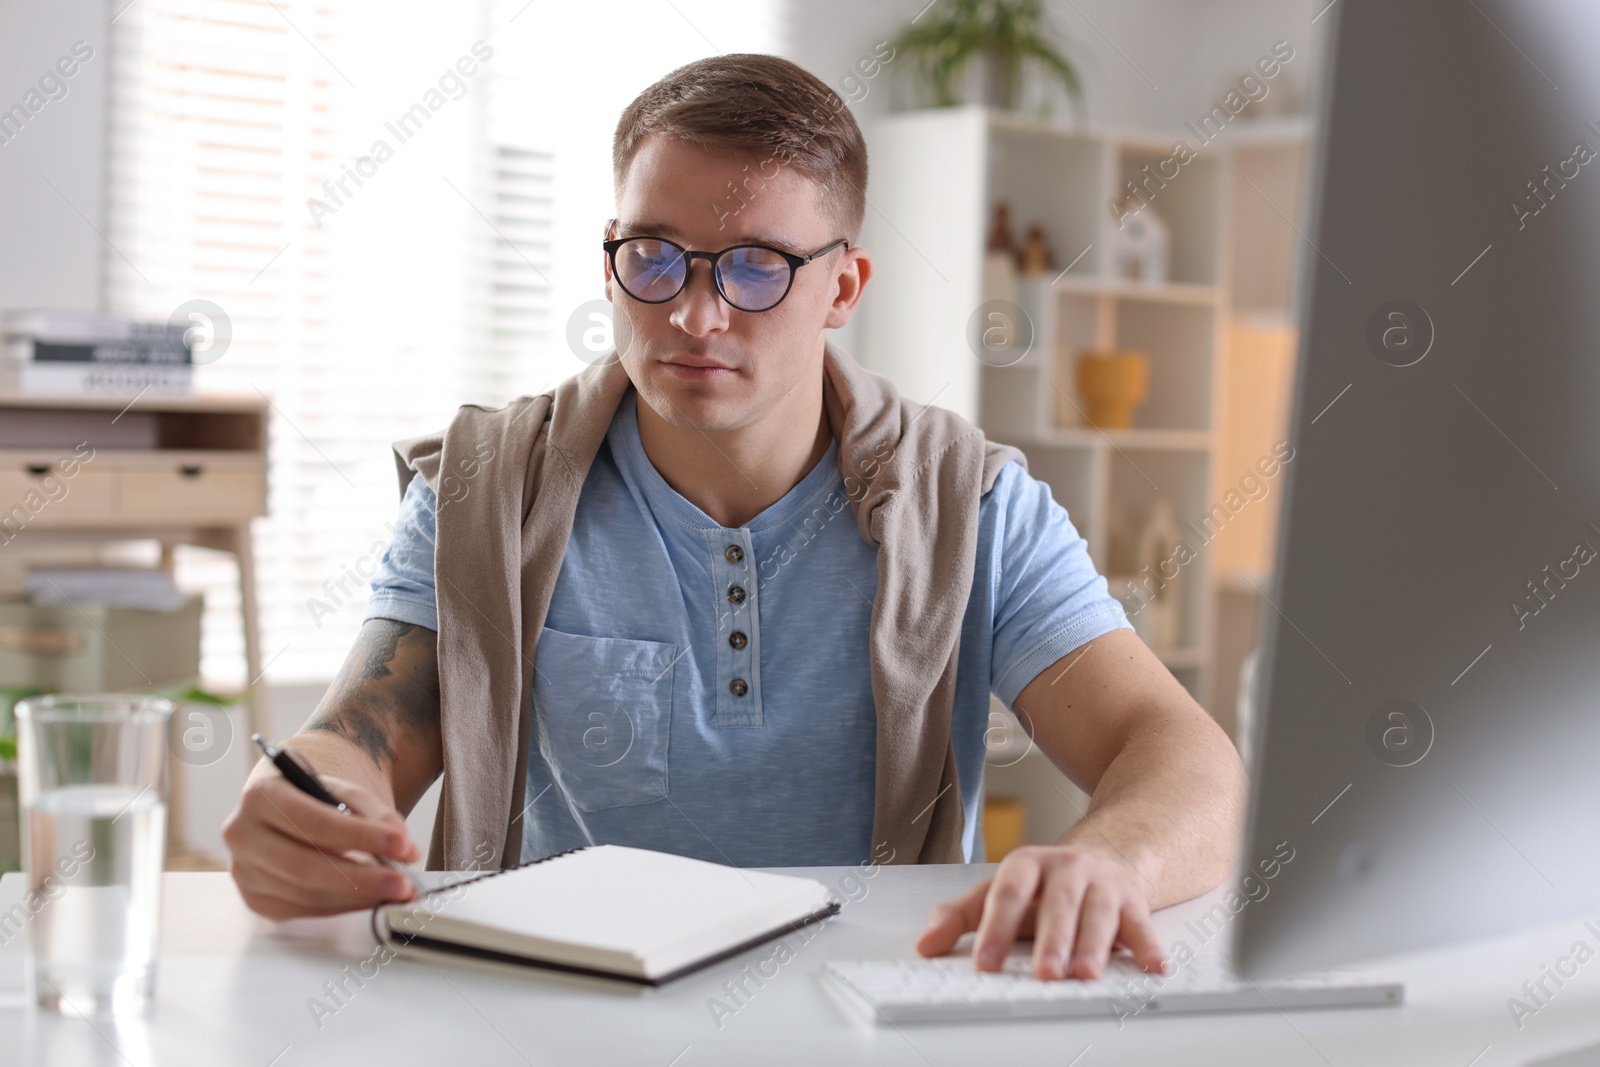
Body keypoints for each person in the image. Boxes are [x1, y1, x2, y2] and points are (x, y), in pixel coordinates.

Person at [223, 52, 1246, 984]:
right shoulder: (483, 490)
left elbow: (1186, 759)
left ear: (842, 286)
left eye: (758, 265)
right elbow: (353, 743)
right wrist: (312, 809)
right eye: (655, 256)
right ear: (611, 259)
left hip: (860, 1012)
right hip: (543, 1014)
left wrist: (1110, 859)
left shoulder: (970, 502)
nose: (694, 315)